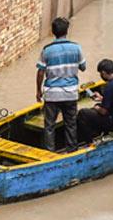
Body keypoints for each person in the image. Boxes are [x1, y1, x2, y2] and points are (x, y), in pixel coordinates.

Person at [36, 16, 87, 152]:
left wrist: (38, 91)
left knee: (49, 126)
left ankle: (49, 152)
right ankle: (72, 149)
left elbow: (40, 72)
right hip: (70, 93)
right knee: (71, 124)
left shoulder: (46, 50)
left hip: (52, 95)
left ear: (53, 32)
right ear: (67, 31)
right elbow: (83, 67)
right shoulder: (76, 48)